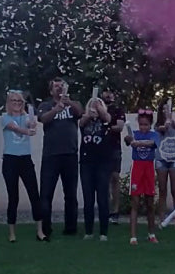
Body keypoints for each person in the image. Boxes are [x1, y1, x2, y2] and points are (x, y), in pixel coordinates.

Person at [38, 78, 83, 239]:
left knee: (70, 194)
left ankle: (70, 228)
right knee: (46, 194)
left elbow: (80, 113)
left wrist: (68, 101)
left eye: (61, 86)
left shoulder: (72, 104)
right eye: (55, 86)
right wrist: (57, 108)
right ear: (51, 91)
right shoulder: (45, 105)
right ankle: (45, 229)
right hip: (51, 156)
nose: (58, 88)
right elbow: (43, 119)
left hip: (70, 155)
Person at [1, 90, 46, 242]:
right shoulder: (5, 117)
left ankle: (40, 231)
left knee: (34, 194)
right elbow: (15, 128)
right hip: (10, 160)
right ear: (9, 103)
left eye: (19, 101)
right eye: (13, 101)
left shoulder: (26, 116)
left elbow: (30, 122)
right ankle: (12, 233)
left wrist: (32, 124)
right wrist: (27, 131)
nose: (17, 104)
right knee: (13, 197)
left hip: (25, 160)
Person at [79, 96, 112, 241]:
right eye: (93, 104)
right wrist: (89, 114)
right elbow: (81, 122)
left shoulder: (105, 120)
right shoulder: (84, 120)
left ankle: (103, 232)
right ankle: (88, 231)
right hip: (86, 163)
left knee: (102, 198)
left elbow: (108, 118)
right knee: (88, 198)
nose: (95, 107)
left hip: (103, 163)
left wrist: (100, 109)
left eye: (99, 104)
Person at [125, 109, 159, 245]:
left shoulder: (154, 134)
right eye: (141, 125)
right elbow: (127, 140)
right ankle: (133, 237)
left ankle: (151, 234)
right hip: (137, 169)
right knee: (135, 203)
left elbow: (152, 143)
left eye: (146, 124)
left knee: (150, 203)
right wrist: (128, 139)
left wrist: (138, 143)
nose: (143, 127)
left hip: (149, 169)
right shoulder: (134, 134)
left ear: (150, 124)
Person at [155, 97, 175, 225]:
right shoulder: (158, 125)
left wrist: (171, 119)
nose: (166, 110)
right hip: (161, 159)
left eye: (168, 108)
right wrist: (166, 123)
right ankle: (162, 217)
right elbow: (162, 129)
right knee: (162, 189)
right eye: (164, 108)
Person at [100, 88, 126, 225]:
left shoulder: (118, 110)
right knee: (103, 180)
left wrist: (107, 126)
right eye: (106, 92)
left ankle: (115, 212)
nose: (108, 94)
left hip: (114, 148)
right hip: (100, 148)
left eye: (111, 92)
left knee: (115, 178)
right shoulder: (97, 107)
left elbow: (119, 127)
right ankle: (105, 210)